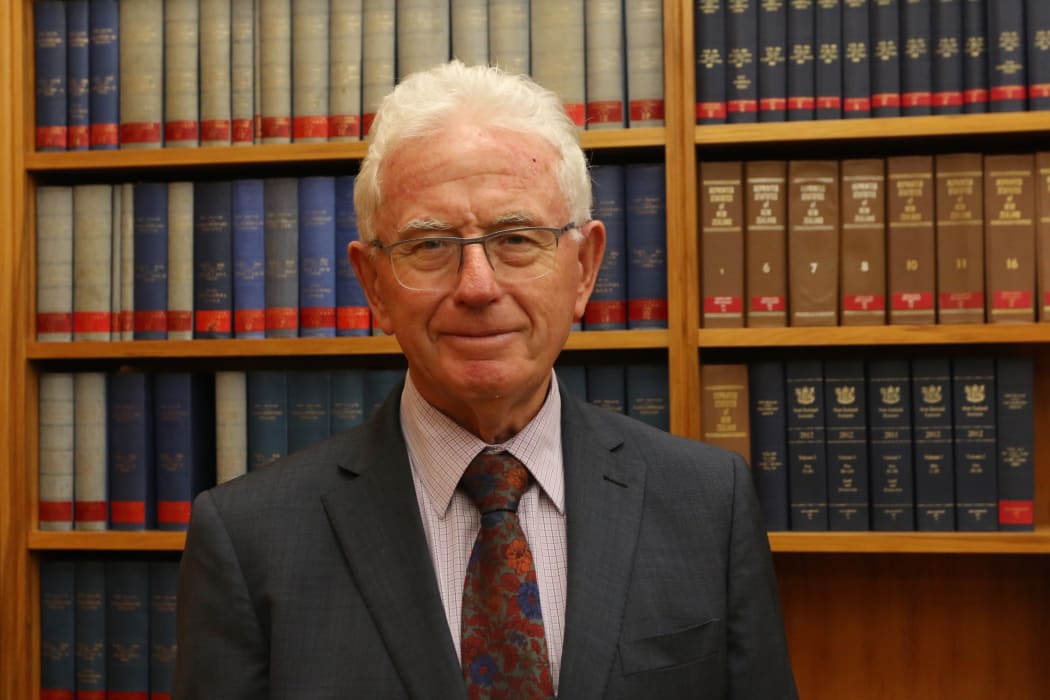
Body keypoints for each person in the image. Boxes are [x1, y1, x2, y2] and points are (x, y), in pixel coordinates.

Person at [174, 61, 797, 699]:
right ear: (374, 287)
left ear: (584, 269)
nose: (477, 286)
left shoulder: (707, 504)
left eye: (517, 238)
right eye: (430, 245)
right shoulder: (248, 538)